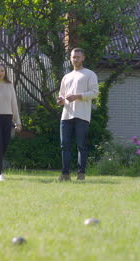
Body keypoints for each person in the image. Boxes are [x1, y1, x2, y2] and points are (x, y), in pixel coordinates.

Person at [57, 48, 99, 181]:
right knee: (65, 145)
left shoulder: (89, 74)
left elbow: (95, 93)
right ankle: (65, 174)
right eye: (73, 57)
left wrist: (78, 96)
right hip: (66, 115)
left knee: (81, 145)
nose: (75, 59)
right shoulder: (66, 77)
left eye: (78, 57)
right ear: (70, 58)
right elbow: (62, 95)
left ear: (83, 58)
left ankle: (81, 174)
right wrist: (60, 100)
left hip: (82, 115)